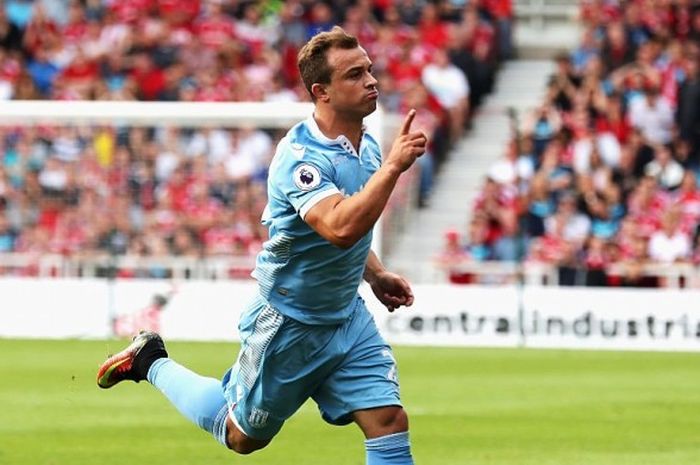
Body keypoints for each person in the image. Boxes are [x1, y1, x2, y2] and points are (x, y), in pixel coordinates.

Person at [96, 26, 427, 465]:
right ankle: (150, 362)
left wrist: (376, 272)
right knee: (242, 438)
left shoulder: (364, 145)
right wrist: (394, 168)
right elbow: (337, 227)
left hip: (346, 316)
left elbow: (350, 230)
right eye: (353, 75)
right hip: (290, 321)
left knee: (387, 420)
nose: (370, 80)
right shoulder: (301, 158)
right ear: (321, 92)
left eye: (368, 69)